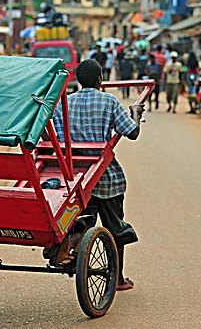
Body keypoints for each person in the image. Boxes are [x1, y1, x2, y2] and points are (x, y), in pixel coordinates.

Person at [52, 59, 144, 291]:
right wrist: (134, 112)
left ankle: (72, 244)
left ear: (78, 81)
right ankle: (118, 278)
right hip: (104, 177)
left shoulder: (65, 103)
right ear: (100, 80)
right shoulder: (109, 101)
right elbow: (132, 132)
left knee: (81, 221)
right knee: (115, 228)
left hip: (74, 177)